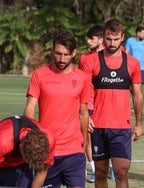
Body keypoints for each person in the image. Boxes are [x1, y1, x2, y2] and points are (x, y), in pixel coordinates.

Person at [79, 18, 144, 188]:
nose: (112, 43)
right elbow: (82, 92)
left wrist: (139, 124)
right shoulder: (90, 61)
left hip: (121, 128)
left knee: (121, 173)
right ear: (103, 39)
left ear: (122, 38)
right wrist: (86, 117)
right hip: (98, 126)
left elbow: (138, 96)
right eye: (108, 38)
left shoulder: (132, 63)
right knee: (100, 173)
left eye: (116, 39)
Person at [24, 31, 93, 188]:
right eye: (58, 53)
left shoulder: (83, 78)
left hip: (74, 151)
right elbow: (30, 108)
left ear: (74, 53)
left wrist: (84, 141)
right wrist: (33, 137)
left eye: (66, 55)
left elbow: (83, 113)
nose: (62, 59)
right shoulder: (39, 75)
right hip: (47, 150)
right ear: (52, 51)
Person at [79, 24, 115, 183]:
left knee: (109, 138)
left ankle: (112, 167)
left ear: (101, 40)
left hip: (107, 106)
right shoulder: (83, 58)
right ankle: (93, 169)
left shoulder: (110, 57)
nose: (88, 41)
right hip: (89, 105)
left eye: (91, 38)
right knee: (87, 138)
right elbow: (81, 83)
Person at [0, 115, 55, 188]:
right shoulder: (3, 141)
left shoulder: (48, 142)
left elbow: (41, 172)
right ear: (21, 147)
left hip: (21, 166)